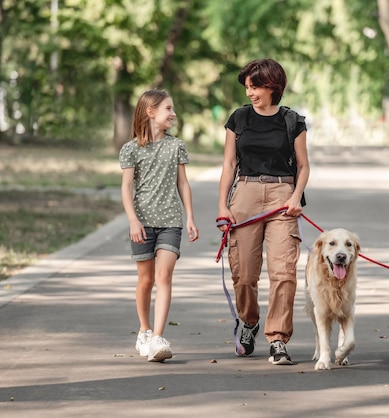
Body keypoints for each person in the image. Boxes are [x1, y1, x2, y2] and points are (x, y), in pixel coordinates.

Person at [217, 58, 310, 365]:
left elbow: (303, 165)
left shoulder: (292, 121)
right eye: (247, 87)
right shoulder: (239, 118)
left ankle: (278, 338)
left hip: (282, 195)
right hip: (245, 193)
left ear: (273, 87)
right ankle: (249, 321)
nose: (250, 93)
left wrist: (296, 196)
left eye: (255, 87)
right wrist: (223, 206)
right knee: (243, 273)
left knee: (283, 272)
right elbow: (229, 164)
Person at [120, 88, 199, 362]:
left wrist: (189, 216)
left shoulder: (176, 146)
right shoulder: (131, 149)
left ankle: (158, 338)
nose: (173, 113)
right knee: (146, 280)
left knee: (164, 277)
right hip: (142, 224)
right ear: (150, 112)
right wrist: (132, 220)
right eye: (168, 108)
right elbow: (126, 187)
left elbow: (183, 183)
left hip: (170, 223)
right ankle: (144, 330)